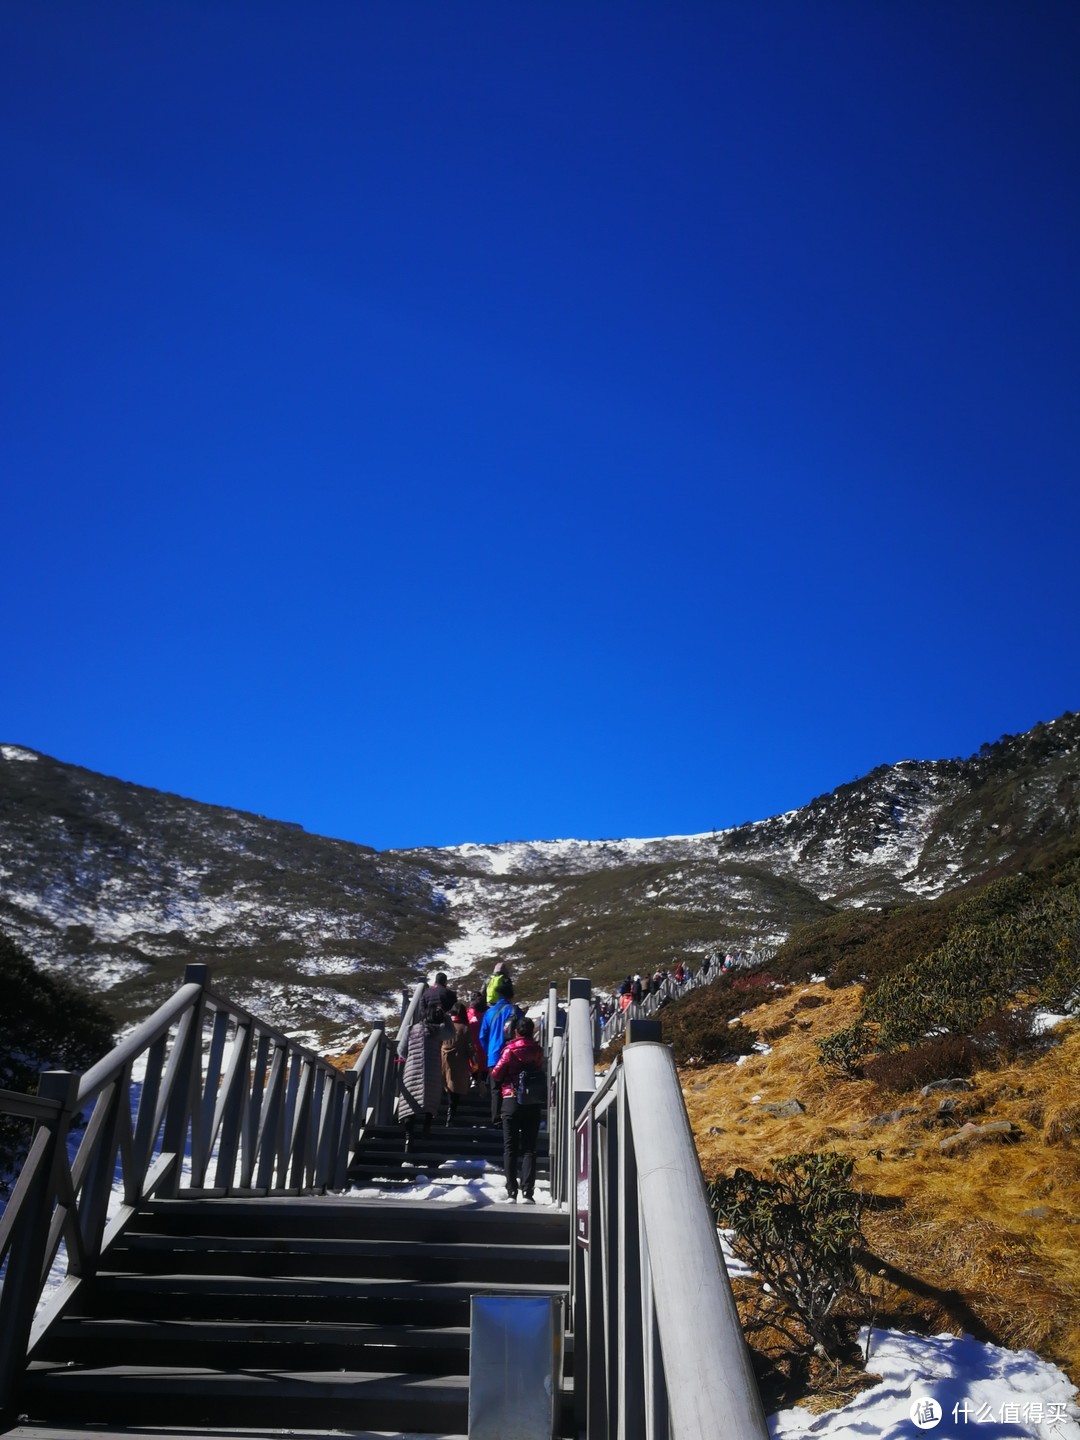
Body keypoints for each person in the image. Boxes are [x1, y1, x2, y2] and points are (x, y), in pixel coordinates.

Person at [491, 1015, 546, 1203]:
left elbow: (496, 1074)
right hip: (532, 1101)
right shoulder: (537, 1049)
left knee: (510, 1148)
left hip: (511, 1100)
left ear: (515, 1031)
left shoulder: (510, 1050)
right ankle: (528, 1193)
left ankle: (511, 1192)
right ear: (532, 1031)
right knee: (530, 1148)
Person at [396, 1002, 454, 1151]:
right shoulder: (437, 1031)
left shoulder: (410, 1029)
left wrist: (411, 1057)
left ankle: (409, 1137)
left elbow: (401, 1051)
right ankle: (426, 1129)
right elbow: (451, 1032)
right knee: (430, 1099)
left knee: (410, 1102)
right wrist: (446, 1016)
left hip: (412, 1069)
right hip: (432, 1069)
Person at [479, 982, 517, 1125]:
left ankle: (495, 1119)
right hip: (512, 1056)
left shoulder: (489, 1012)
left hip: (494, 1055)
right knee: (510, 1086)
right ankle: (509, 1117)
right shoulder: (514, 1010)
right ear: (511, 995)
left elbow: (482, 1036)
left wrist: (488, 1050)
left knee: (495, 1089)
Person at [441, 1003, 473, 1124]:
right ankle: (451, 1112)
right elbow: (470, 1048)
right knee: (456, 1087)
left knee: (446, 1083)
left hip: (443, 1060)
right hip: (459, 1061)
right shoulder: (464, 1028)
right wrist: (474, 1066)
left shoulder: (444, 1025)